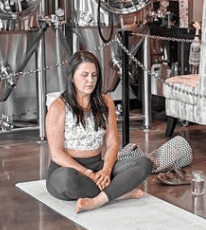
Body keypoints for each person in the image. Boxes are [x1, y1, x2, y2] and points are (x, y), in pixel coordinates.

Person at [45, 50, 154, 213]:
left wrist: (106, 170)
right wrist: (87, 173)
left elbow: (112, 144)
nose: (90, 80)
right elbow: (56, 154)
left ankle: (98, 200)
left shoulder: (106, 102)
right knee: (66, 181)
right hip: (68, 169)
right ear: (72, 77)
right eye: (84, 75)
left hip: (98, 166)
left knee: (144, 163)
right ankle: (118, 191)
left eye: (94, 75)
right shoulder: (58, 107)